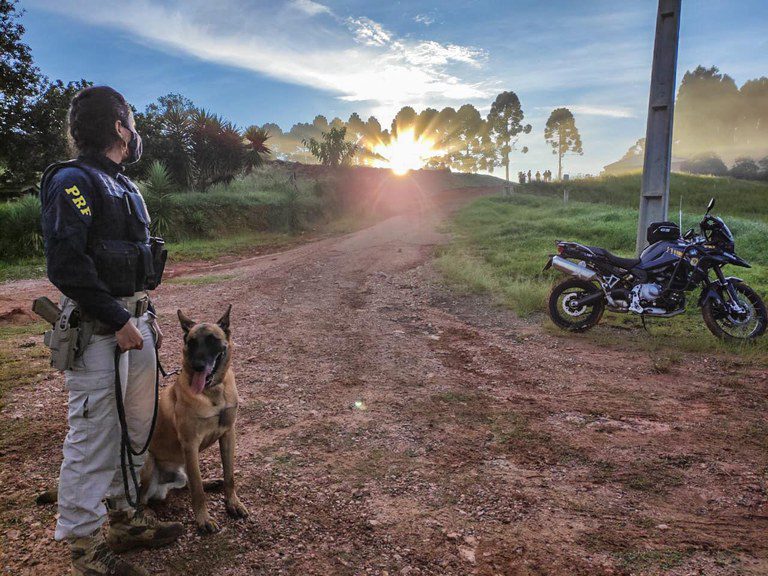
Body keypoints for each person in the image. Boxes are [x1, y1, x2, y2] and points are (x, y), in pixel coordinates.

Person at [40, 86, 182, 576]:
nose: (136, 132)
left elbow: (134, 266)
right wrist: (120, 318)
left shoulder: (123, 185)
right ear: (120, 128)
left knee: (134, 429)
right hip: (100, 331)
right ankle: (84, 551)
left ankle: (124, 521)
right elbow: (66, 265)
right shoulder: (73, 182)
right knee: (94, 435)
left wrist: (146, 316)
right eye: (133, 123)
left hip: (134, 324)